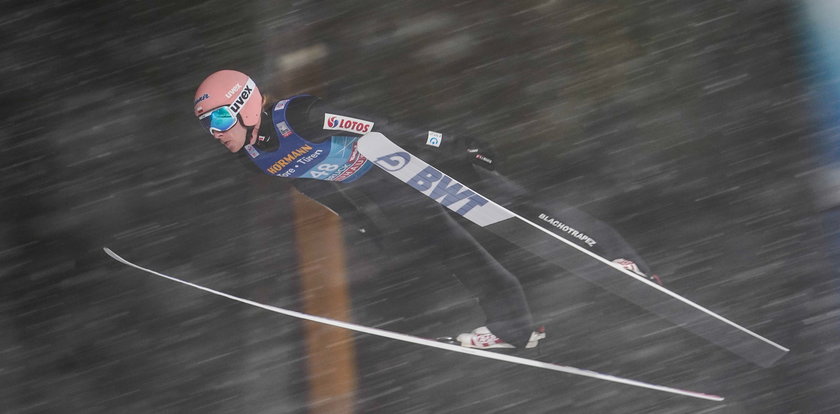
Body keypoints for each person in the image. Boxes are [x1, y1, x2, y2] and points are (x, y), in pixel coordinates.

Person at [193, 69, 660, 349]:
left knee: (516, 209)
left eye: (218, 117)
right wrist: (359, 221)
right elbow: (315, 186)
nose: (215, 131)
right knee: (452, 251)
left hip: (409, 163)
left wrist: (453, 144)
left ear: (246, 105)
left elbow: (378, 124)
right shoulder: (253, 159)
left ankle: (623, 259)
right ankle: (513, 328)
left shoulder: (299, 118)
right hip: (379, 190)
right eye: (205, 124)